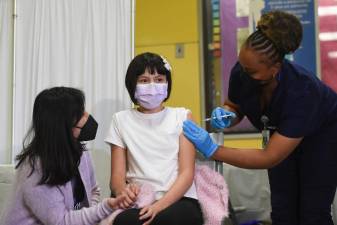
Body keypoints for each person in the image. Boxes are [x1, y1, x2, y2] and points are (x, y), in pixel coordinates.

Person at [183, 10, 337, 225]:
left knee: (312, 212)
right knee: (283, 210)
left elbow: (269, 157)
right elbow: (235, 105)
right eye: (243, 66)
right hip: (282, 134)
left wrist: (214, 149)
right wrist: (228, 115)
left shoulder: (302, 91)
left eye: (252, 71)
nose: (243, 74)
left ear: (275, 69)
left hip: (323, 136)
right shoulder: (243, 70)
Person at [0, 87, 124, 225]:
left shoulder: (81, 153)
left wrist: (92, 216)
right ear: (63, 126)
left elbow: (94, 190)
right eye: (80, 114)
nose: (87, 116)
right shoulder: (35, 168)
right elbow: (61, 221)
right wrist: (105, 208)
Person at [105, 52, 203, 225]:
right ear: (132, 85)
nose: (152, 86)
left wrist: (159, 206)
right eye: (144, 80)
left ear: (167, 84)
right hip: (138, 200)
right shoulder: (120, 120)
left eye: (159, 80)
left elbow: (187, 173)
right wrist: (123, 193)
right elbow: (117, 176)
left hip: (179, 200)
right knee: (124, 221)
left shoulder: (182, 116)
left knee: (166, 220)